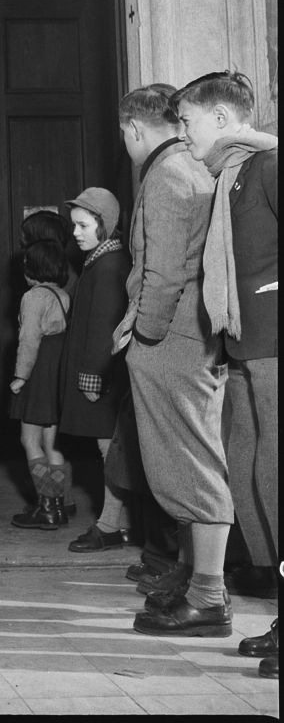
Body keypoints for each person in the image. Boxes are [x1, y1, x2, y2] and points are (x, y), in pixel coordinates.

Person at [170, 71, 276, 662]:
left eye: (187, 122)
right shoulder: (231, 177)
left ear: (219, 118)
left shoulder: (269, 167)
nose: (183, 134)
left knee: (275, 476)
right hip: (243, 347)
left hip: (272, 345)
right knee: (252, 474)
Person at [109, 85, 212, 615]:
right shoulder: (192, 166)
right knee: (190, 461)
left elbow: (164, 272)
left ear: (133, 128)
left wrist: (144, 334)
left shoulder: (166, 173)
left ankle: (206, 594)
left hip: (170, 340)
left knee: (185, 467)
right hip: (191, 334)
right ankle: (194, 577)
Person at [59, 188, 132, 553]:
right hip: (103, 376)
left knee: (110, 452)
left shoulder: (108, 266)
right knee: (111, 451)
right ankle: (120, 523)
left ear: (105, 224)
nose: (75, 232)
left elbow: (104, 327)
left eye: (83, 225)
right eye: (74, 225)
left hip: (103, 377)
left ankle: (111, 526)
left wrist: (92, 377)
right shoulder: (100, 261)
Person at [9, 240, 71, 529]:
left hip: (38, 370)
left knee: (29, 441)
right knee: (52, 444)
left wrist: (20, 376)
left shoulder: (33, 297)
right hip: (57, 371)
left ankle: (46, 506)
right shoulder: (62, 294)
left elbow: (29, 339)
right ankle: (58, 506)